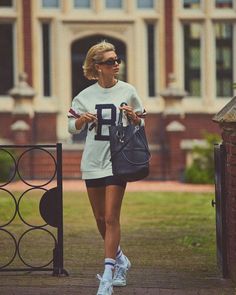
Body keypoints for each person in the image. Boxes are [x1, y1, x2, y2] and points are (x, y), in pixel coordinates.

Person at [67, 40, 146, 295]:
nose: (116, 65)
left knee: (112, 217)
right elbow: (70, 127)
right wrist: (80, 120)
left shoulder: (128, 90)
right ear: (97, 67)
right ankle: (121, 259)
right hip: (92, 160)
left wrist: (134, 117)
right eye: (110, 62)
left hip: (118, 161)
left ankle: (107, 277)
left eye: (117, 60)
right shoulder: (84, 96)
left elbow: (141, 121)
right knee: (100, 219)